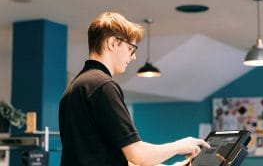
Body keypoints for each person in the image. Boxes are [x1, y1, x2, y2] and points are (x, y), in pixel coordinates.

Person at [59, 12, 210, 166]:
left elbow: (111, 158)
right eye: (131, 48)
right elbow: (138, 155)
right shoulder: (102, 86)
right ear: (112, 43)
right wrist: (180, 145)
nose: (133, 57)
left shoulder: (74, 88)